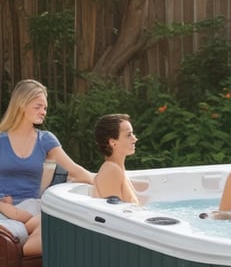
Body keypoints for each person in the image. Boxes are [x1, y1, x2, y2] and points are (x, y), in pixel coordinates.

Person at [0, 79, 94, 256]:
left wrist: (103, 180)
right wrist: (5, 207)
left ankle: (21, 245)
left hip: (33, 210)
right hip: (3, 210)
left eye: (45, 108)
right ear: (21, 104)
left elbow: (75, 169)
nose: (43, 112)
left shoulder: (46, 140)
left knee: (57, 223)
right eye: (38, 107)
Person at [93, 114, 146, 204]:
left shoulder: (117, 169)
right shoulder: (111, 170)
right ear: (113, 142)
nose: (135, 139)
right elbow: (113, 213)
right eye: (129, 135)